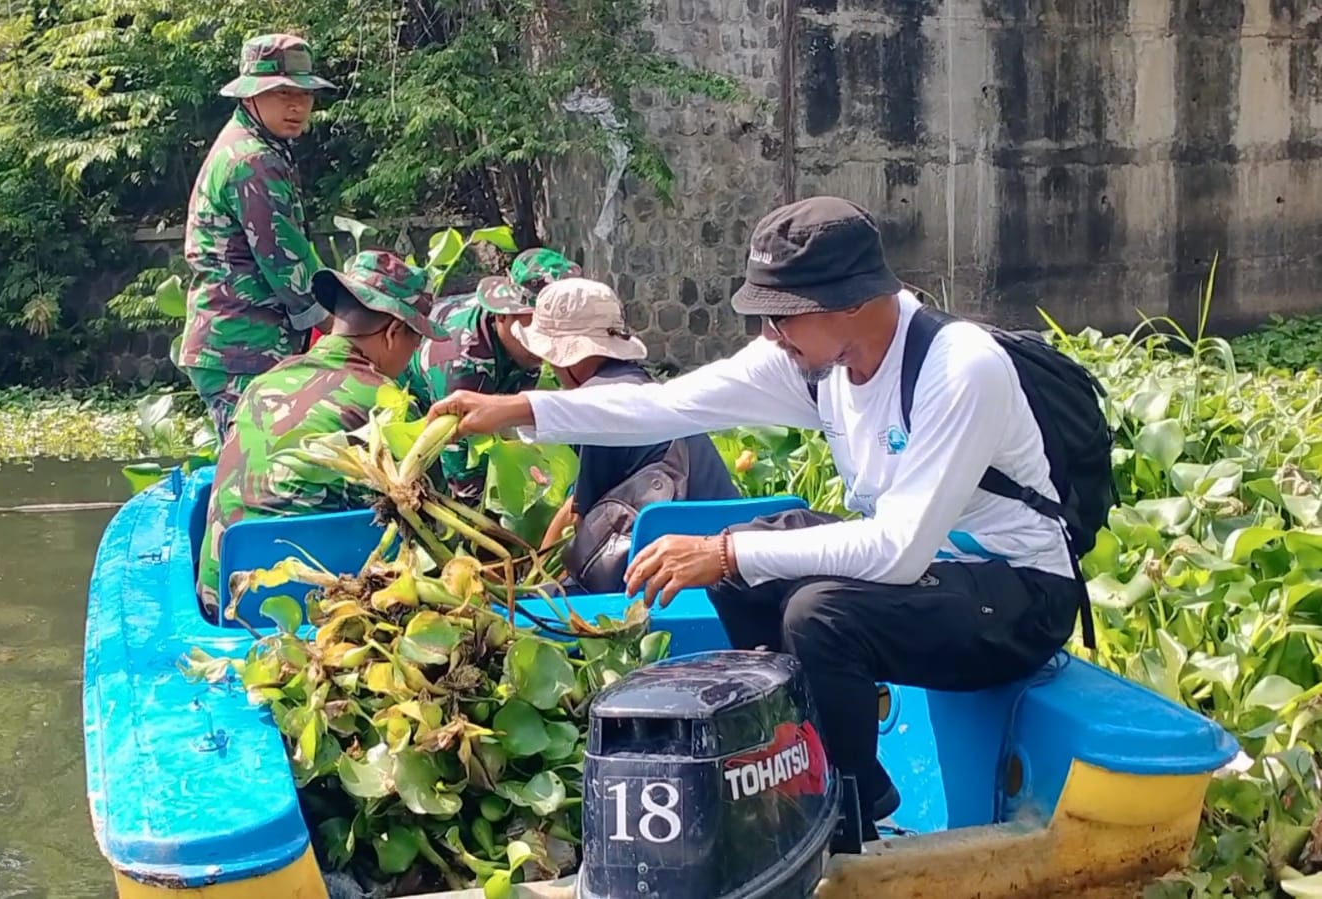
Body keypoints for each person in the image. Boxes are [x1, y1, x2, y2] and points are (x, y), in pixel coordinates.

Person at [426, 196, 1085, 839]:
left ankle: (848, 810)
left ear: (851, 300)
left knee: (815, 611)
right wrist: (521, 412)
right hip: (934, 580)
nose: (769, 334)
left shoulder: (957, 367)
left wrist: (726, 550)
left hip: (1017, 595)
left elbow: (898, 548)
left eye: (782, 316)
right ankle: (790, 749)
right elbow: (667, 406)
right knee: (749, 563)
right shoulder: (814, 362)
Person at [196, 251, 450, 615]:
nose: (413, 355)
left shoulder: (262, 384)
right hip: (325, 614)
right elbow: (431, 528)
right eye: (415, 342)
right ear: (394, 333)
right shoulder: (388, 404)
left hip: (222, 601)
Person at [514, 277, 741, 592]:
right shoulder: (641, 387)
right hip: (724, 558)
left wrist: (534, 578)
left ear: (564, 358)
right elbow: (576, 504)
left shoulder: (599, 405)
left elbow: (580, 521)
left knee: (546, 602)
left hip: (674, 574)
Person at [178, 33, 338, 440]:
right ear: (250, 96)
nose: (297, 105)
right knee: (256, 468)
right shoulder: (254, 160)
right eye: (281, 92)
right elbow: (287, 264)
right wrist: (347, 325)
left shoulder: (258, 145)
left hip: (245, 343)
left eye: (304, 94)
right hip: (242, 347)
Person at [401, 247, 583, 504]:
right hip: (416, 397)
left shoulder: (523, 342)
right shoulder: (462, 363)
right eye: (537, 328)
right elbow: (459, 461)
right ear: (502, 315)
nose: (547, 343)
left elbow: (514, 412)